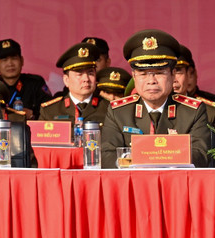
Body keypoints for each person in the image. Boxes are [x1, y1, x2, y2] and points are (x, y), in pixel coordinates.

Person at [102, 30, 209, 168]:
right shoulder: (118, 112)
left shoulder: (193, 111)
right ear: (134, 77)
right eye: (143, 74)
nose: (151, 81)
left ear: (173, 75)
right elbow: (106, 155)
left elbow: (200, 155)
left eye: (159, 73)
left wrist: (147, 157)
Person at [39, 43, 108, 124]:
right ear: (66, 80)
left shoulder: (108, 109)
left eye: (90, 73)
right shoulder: (50, 111)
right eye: (79, 74)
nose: (86, 79)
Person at [0, 38, 51, 119]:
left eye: (14, 58)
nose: (10, 64)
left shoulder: (35, 83)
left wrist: (32, 115)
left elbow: (50, 112)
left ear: (22, 61)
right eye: (4, 60)